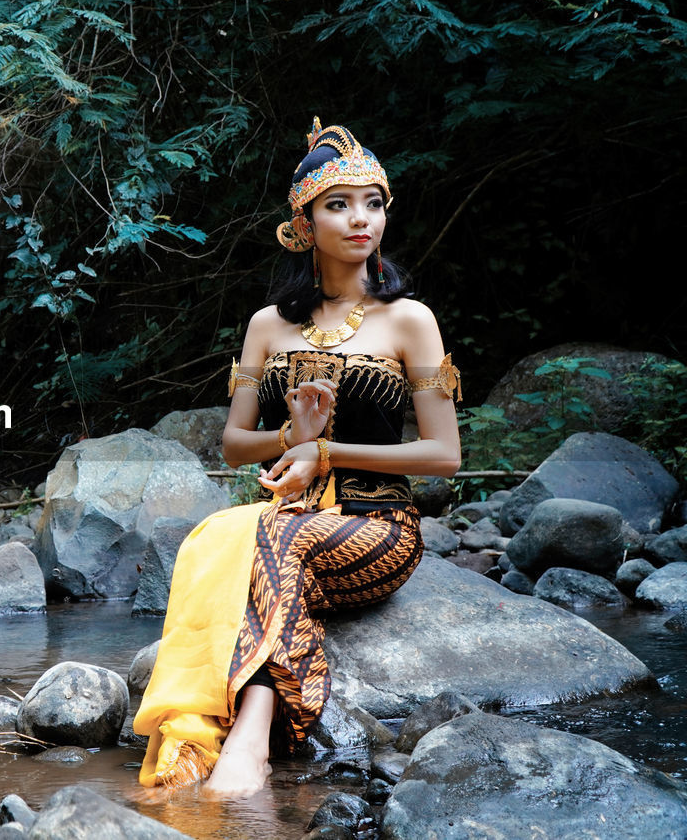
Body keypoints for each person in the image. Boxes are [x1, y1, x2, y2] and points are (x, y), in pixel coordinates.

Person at [133, 118, 462, 798]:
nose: (360, 218)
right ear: (303, 223)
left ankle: (249, 742)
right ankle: (209, 734)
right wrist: (291, 437)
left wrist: (327, 448)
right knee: (218, 535)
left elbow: (444, 455)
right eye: (337, 204)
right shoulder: (266, 325)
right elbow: (234, 443)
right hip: (291, 510)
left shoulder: (410, 320)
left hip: (377, 526)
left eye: (373, 202)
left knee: (273, 537)